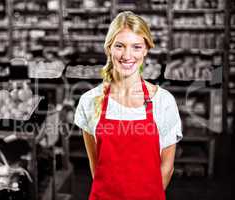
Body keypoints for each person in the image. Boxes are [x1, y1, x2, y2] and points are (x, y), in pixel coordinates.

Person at [74, 11, 183, 200]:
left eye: (136, 47)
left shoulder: (163, 101)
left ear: (146, 49)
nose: (127, 55)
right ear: (109, 48)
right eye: (119, 46)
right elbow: (96, 168)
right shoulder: (90, 101)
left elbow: (167, 168)